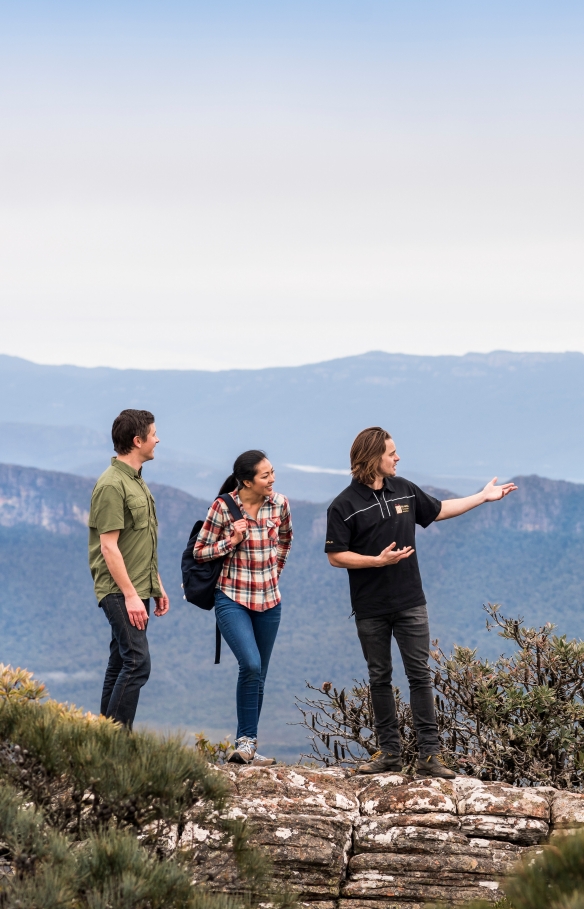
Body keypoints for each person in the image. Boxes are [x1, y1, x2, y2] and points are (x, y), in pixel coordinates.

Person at [325, 426, 516, 778]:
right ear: (372, 458)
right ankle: (389, 755)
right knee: (379, 677)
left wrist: (481, 496)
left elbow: (440, 510)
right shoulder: (344, 505)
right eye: (391, 452)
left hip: (411, 601)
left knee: (420, 676)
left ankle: (430, 757)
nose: (397, 457)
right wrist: (376, 562)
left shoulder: (405, 490)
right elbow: (336, 556)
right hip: (370, 607)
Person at [194, 450, 293, 765]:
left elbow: (286, 540)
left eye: (272, 472)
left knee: (259, 673)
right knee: (250, 665)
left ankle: (248, 745)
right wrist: (230, 542)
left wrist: (274, 571)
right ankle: (246, 740)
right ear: (247, 481)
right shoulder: (223, 508)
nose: (272, 479)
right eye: (265, 475)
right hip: (232, 597)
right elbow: (199, 551)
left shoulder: (280, 504)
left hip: (269, 601)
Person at [88, 409, 170, 729]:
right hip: (120, 590)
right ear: (138, 441)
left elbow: (140, 542)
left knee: (120, 661)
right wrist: (132, 596)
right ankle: (117, 742)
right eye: (153, 434)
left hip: (137, 587)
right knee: (137, 662)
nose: (157, 439)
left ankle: (103, 738)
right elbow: (108, 546)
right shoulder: (111, 485)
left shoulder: (135, 481)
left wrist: (156, 585)